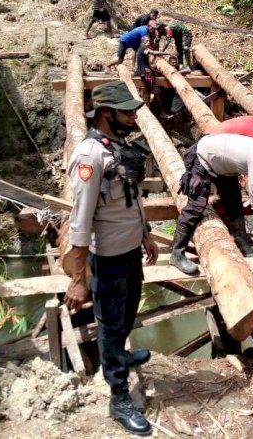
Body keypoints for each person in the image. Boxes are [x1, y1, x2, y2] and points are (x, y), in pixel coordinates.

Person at [62, 81, 159, 436]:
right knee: (111, 322)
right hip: (108, 256)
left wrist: (145, 235)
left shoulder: (116, 147)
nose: (133, 116)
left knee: (128, 308)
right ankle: (118, 396)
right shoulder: (90, 156)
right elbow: (80, 217)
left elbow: (130, 199)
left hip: (130, 249)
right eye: (127, 111)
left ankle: (119, 353)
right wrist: (78, 278)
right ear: (106, 114)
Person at [168, 134, 253, 274]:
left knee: (234, 203)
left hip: (224, 165)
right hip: (202, 157)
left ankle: (243, 245)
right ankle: (176, 254)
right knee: (196, 206)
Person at [135, 35, 172, 106]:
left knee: (154, 91)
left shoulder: (142, 49)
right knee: (157, 92)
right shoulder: (143, 48)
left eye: (149, 41)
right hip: (145, 74)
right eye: (146, 41)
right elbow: (154, 53)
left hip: (146, 73)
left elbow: (147, 63)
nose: (148, 42)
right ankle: (161, 111)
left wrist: (156, 71)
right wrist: (169, 53)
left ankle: (155, 108)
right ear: (142, 42)